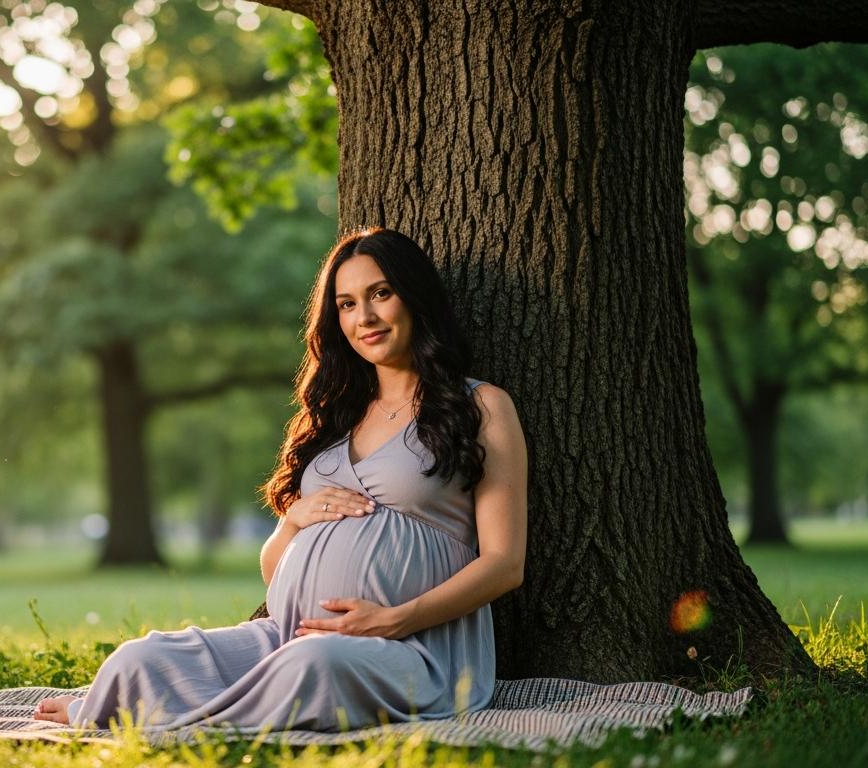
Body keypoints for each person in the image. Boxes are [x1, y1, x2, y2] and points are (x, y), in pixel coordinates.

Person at [33, 227, 528, 731]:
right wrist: (292, 522)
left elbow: (505, 564)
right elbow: (275, 571)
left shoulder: (479, 406)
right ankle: (152, 706)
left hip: (415, 649)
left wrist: (395, 618)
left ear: (415, 298)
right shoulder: (335, 416)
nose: (366, 317)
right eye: (347, 304)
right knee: (141, 658)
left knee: (316, 667)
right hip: (286, 635)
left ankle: (153, 720)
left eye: (381, 294)